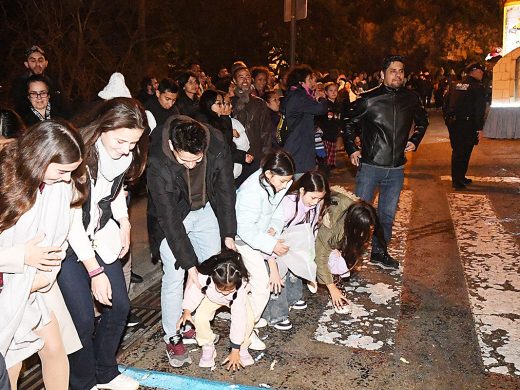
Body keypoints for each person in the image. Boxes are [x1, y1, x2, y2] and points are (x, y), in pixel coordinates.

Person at [58, 98, 148, 390]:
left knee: (119, 306)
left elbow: (118, 191)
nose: (127, 149)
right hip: (69, 245)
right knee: (82, 321)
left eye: (133, 144)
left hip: (100, 234)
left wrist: (124, 222)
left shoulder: (125, 155)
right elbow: (71, 220)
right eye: (122, 141)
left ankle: (105, 371)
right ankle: (83, 383)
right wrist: (94, 272)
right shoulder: (79, 155)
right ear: (103, 127)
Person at [0, 120, 87, 390]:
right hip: (8, 287)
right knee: (9, 364)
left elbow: (57, 230)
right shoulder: (6, 179)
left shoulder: (50, 183)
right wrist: (21, 256)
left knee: (54, 348)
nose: (66, 179)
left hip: (32, 286)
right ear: (41, 157)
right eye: (61, 171)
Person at [146, 116, 237, 368]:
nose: (191, 165)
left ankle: (195, 321)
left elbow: (226, 189)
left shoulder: (216, 143)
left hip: (205, 210)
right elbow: (168, 218)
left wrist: (228, 233)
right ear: (173, 147)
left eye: (197, 159)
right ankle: (173, 335)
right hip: (175, 215)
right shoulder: (157, 158)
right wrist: (188, 264)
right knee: (176, 275)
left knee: (208, 271)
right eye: (185, 160)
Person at [343, 55, 428, 269]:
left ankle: (379, 253)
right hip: (370, 167)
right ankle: (350, 256)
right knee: (359, 215)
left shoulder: (411, 98)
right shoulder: (368, 99)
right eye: (393, 71)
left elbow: (422, 121)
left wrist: (414, 140)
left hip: (397, 168)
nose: (398, 75)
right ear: (382, 75)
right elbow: (348, 124)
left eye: (401, 71)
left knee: (387, 215)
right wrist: (352, 149)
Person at [235, 150, 295, 349]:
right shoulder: (251, 191)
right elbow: (244, 229)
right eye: (283, 181)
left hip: (261, 236)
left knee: (254, 285)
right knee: (261, 285)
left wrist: (274, 228)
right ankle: (245, 331)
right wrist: (271, 244)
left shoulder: (276, 182)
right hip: (244, 240)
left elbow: (278, 211)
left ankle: (250, 314)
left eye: (288, 181)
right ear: (268, 174)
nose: (286, 185)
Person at [263, 171, 329, 330]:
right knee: (279, 276)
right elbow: (268, 236)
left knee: (299, 262)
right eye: (313, 197)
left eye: (320, 198)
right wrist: (273, 268)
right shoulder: (287, 204)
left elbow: (311, 232)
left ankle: (293, 298)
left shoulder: (314, 205)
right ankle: (276, 314)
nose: (316, 202)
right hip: (271, 244)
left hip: (291, 242)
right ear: (301, 191)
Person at [177, 250, 255, 370]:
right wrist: (187, 309)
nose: (225, 293)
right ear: (213, 279)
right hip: (212, 298)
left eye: (229, 290)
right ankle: (207, 345)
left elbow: (239, 318)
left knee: (248, 319)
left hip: (235, 301)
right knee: (200, 317)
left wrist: (235, 349)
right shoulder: (205, 276)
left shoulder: (240, 286)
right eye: (221, 289)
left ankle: (243, 346)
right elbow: (195, 291)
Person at [315, 190, 384, 312]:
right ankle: (333, 283)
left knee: (346, 254)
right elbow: (320, 256)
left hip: (341, 233)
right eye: (362, 230)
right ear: (352, 225)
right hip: (312, 233)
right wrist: (332, 288)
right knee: (329, 259)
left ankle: (335, 277)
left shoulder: (357, 211)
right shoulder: (331, 227)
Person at [443, 62, 486, 189]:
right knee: (464, 152)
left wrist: (447, 119)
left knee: (457, 151)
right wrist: (479, 128)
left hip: (454, 123)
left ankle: (460, 177)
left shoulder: (454, 85)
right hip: (468, 124)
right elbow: (479, 109)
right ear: (474, 72)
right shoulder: (477, 87)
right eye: (481, 72)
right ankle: (457, 180)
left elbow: (445, 103)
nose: (482, 74)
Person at [231, 62, 273, 186]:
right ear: (234, 80)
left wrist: (265, 158)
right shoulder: (228, 102)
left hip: (254, 155)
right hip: (235, 155)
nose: (245, 80)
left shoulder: (259, 103)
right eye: (241, 77)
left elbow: (266, 132)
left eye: (248, 77)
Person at [281, 65, 328, 175]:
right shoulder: (299, 96)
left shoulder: (298, 95)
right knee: (300, 178)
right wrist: (321, 98)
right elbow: (320, 109)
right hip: (299, 146)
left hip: (300, 144)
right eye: (310, 78)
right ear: (301, 81)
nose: (313, 81)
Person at [198, 90, 253, 181]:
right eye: (219, 104)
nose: (223, 107)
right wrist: (242, 156)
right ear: (208, 104)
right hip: (215, 172)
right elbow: (220, 149)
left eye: (224, 103)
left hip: (224, 170)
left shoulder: (221, 121)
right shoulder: (206, 125)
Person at [317, 82, 342, 170]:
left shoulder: (339, 105)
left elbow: (339, 121)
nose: (333, 92)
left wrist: (339, 136)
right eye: (331, 90)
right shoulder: (324, 104)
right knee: (324, 161)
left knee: (330, 164)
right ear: (326, 92)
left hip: (333, 136)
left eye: (335, 90)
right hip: (324, 136)